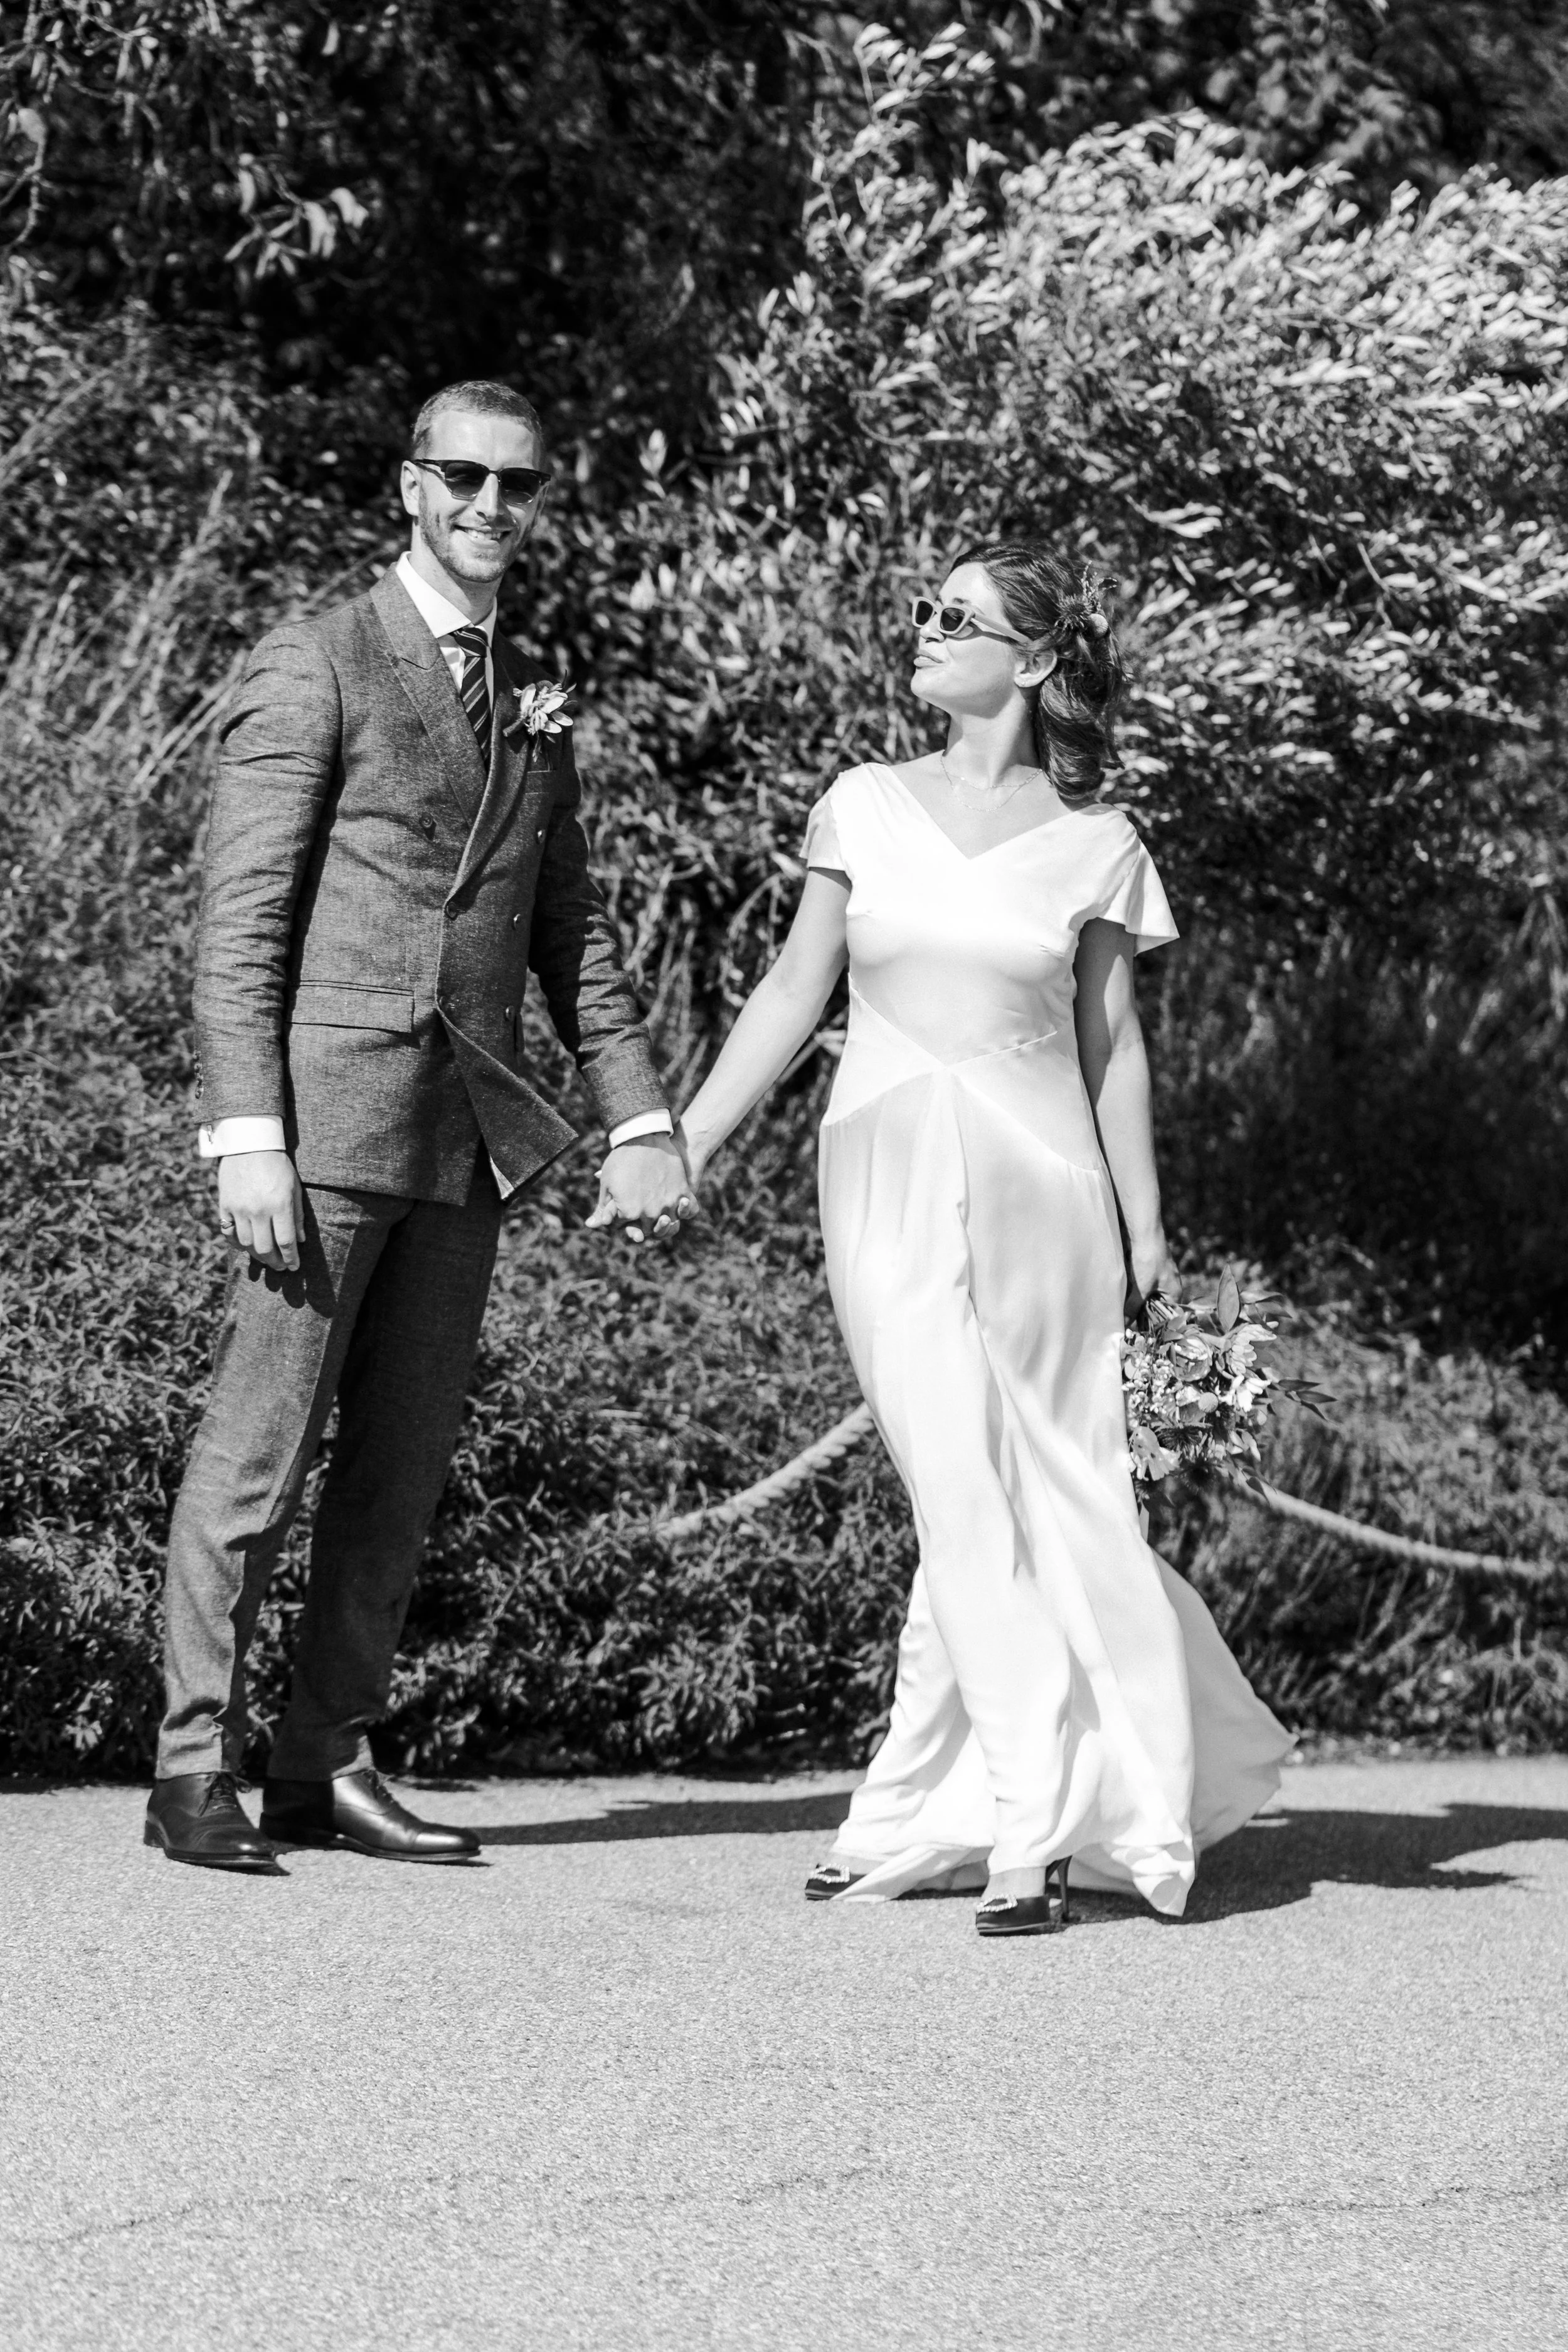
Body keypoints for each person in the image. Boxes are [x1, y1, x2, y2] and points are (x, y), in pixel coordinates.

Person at [675, 544, 1291, 1935]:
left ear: (1033, 660)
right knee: (953, 1482)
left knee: (1038, 1489)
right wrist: (687, 1139)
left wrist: (1147, 1231)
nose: (924, 630)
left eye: (956, 618)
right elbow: (792, 990)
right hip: (881, 1173)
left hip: (1046, 1194)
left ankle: (937, 1811)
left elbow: (1113, 1046)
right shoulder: (861, 804)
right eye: (922, 609)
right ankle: (1026, 1808)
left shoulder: (1098, 841)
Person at [145, 380, 694, 1873]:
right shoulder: (315, 659)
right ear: (409, 485)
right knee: (257, 1462)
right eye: (462, 476)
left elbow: (571, 938)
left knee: (397, 1475)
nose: (489, 506)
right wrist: (244, 1131)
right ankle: (191, 1770)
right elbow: (241, 925)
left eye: (518, 484)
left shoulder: (534, 695)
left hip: (465, 1140)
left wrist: (639, 1118)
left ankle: (326, 1764)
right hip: (321, 1132)